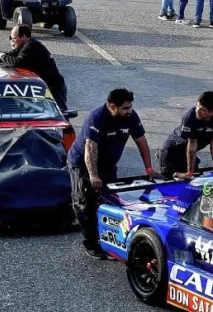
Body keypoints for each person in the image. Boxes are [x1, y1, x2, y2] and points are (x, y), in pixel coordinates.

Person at [66, 89, 156, 259]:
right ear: (111, 106)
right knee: (85, 202)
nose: (129, 111)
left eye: (130, 107)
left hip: (108, 164)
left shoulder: (131, 117)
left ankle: (110, 240)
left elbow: (142, 142)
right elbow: (90, 148)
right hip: (83, 164)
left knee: (110, 200)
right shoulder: (97, 117)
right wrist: (93, 176)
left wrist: (149, 169)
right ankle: (92, 244)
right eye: (125, 108)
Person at [0, 25, 68, 112]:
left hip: (54, 87)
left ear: (24, 37)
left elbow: (17, 62)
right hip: (43, 87)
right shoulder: (24, 45)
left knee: (59, 112)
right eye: (10, 38)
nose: (11, 41)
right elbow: (9, 56)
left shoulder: (32, 46)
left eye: (14, 38)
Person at [157, 92, 213, 179]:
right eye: (197, 106)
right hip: (173, 151)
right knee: (171, 175)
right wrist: (189, 172)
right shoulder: (190, 117)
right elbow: (192, 145)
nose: (198, 111)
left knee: (195, 177)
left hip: (188, 151)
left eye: (202, 110)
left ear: (212, 112)